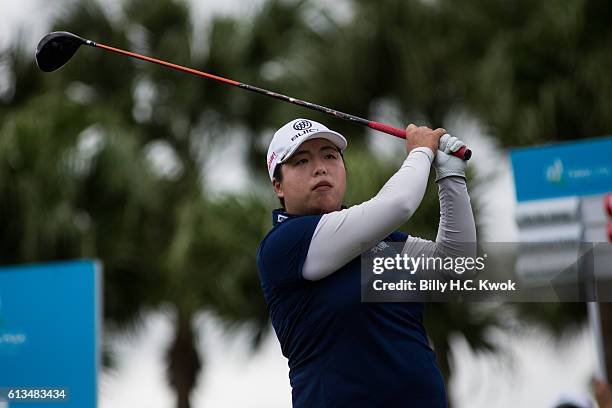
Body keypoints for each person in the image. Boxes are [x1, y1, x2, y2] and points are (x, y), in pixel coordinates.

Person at [256, 118, 476, 407]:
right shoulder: (284, 244)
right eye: (301, 161)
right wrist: (421, 152)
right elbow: (398, 204)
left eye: (330, 155)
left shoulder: (381, 240)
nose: (319, 167)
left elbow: (455, 268)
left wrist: (450, 176)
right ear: (278, 186)